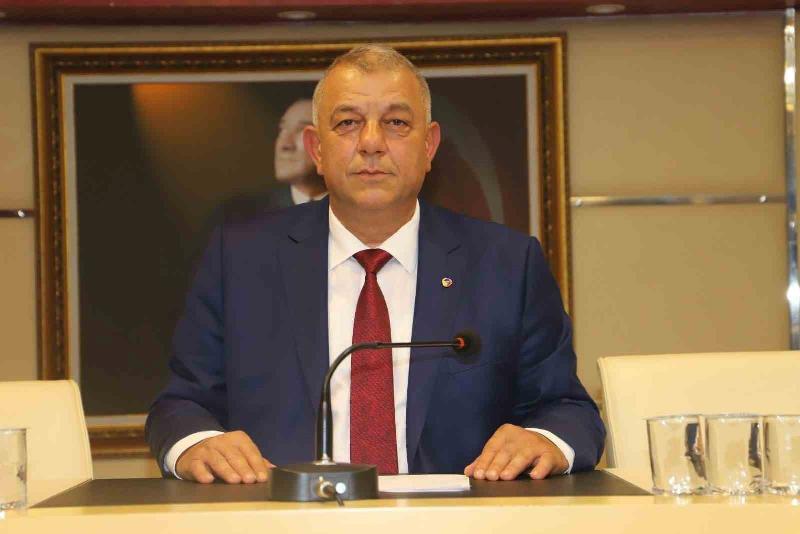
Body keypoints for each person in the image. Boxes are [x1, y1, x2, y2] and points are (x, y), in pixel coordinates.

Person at [145, 44, 605, 485]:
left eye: (396, 123)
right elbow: (181, 405)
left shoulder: (506, 264)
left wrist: (543, 440)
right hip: (287, 517)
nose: (371, 143)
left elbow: (569, 411)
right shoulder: (241, 259)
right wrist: (197, 443)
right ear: (316, 149)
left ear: (429, 146)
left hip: (454, 521)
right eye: (347, 123)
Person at [265, 98, 327, 208]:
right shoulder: (246, 213)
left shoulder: (358, 210)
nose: (285, 145)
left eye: (303, 130)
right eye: (282, 129)